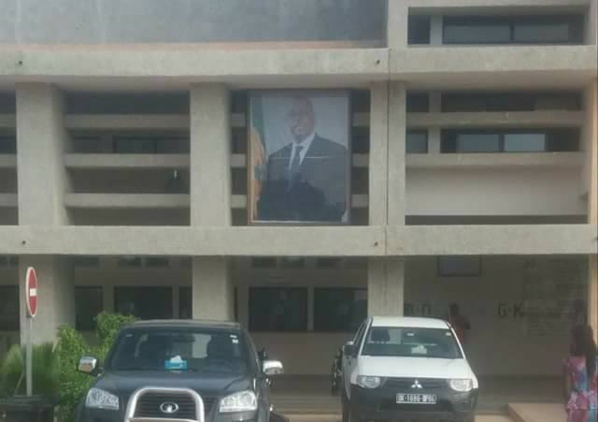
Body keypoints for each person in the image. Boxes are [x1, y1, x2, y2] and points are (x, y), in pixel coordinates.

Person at [257, 96, 349, 222]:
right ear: (287, 121)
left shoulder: (336, 152)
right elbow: (266, 204)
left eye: (303, 114)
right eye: (293, 115)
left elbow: (338, 203)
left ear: (313, 118)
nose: (297, 119)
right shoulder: (275, 158)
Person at [563, 324, 597, 422]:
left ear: (575, 341)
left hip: (577, 405)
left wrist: (567, 405)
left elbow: (566, 390)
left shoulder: (569, 362)